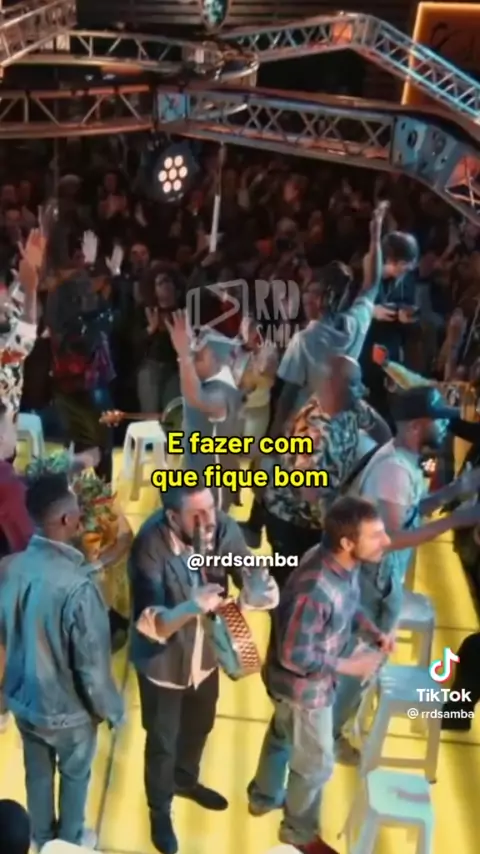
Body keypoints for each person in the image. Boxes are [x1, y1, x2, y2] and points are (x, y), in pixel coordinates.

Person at [129, 482, 279, 854]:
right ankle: (159, 810)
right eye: (197, 514)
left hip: (205, 656)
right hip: (164, 664)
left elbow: (249, 569)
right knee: (162, 743)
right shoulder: (149, 545)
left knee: (200, 725)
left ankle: (185, 780)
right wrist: (191, 607)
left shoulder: (221, 527)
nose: (209, 519)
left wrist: (256, 586)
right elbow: (151, 623)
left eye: (212, 507)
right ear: (172, 517)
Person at [334, 386, 480, 761]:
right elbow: (391, 539)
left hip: (381, 578)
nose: (446, 428)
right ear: (417, 426)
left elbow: (412, 511)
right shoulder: (394, 472)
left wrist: (453, 491)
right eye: (439, 421)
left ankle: (340, 725)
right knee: (362, 660)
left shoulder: (404, 461)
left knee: (368, 658)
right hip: (375, 580)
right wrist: (455, 519)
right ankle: (331, 735)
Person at [246, 497, 390, 854]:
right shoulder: (316, 588)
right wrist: (348, 666)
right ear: (347, 543)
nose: (386, 541)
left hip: (293, 685)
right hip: (304, 691)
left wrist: (371, 631)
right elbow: (294, 654)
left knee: (282, 734)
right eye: (375, 535)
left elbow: (348, 605)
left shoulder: (340, 565)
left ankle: (263, 796)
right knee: (315, 766)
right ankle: (299, 832)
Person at [0, 471, 124, 849]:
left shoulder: (11, 567)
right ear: (67, 520)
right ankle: (68, 843)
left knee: (36, 774)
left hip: (24, 701)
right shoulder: (79, 589)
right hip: (69, 713)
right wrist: (111, 711)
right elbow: (92, 669)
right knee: (74, 776)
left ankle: (40, 838)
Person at [165, 311, 244, 509]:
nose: (193, 360)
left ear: (217, 361)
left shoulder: (221, 392)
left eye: (198, 357)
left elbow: (196, 398)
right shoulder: (210, 379)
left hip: (211, 495)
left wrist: (184, 355)